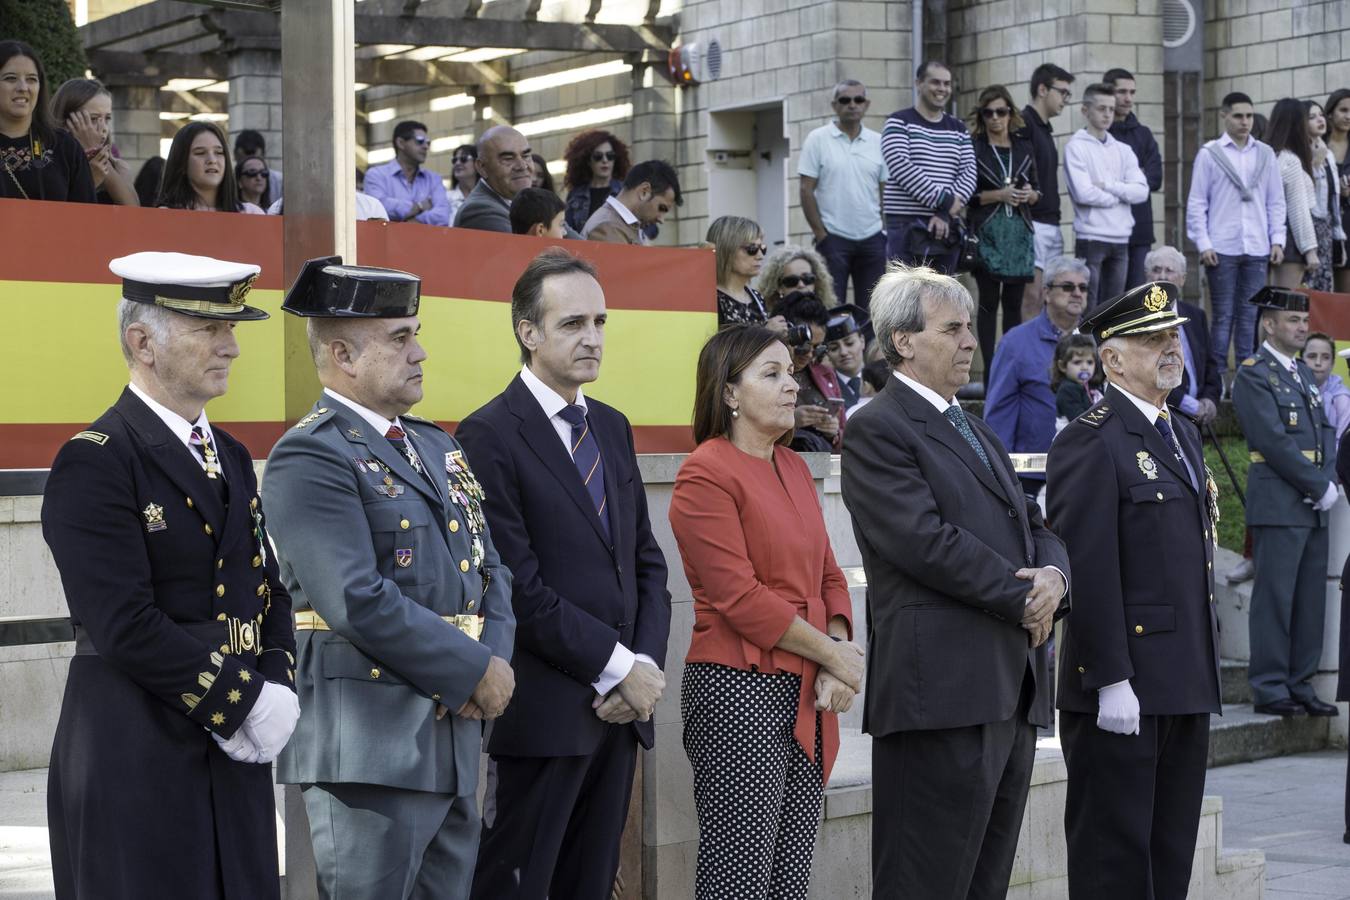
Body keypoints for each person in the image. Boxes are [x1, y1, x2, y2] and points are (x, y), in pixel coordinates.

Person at [42, 251, 297, 898]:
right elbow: (123, 624)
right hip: (138, 751)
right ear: (142, 342)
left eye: (232, 329)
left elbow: (266, 586)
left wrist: (278, 682)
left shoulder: (233, 455)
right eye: (209, 329)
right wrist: (244, 702)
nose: (233, 347)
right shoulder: (97, 460)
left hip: (234, 749)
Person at [265, 258, 516, 898]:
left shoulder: (435, 444)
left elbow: (491, 569)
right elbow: (354, 596)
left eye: (415, 333)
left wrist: (492, 669)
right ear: (343, 355)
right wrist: (470, 671)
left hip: (454, 733)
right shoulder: (311, 453)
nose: (420, 352)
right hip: (372, 747)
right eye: (400, 338)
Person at [841, 264, 1068, 900]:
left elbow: (1034, 523)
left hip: (1007, 693)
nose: (971, 340)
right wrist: (1025, 596)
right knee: (925, 882)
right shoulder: (877, 427)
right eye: (953, 328)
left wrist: (1054, 577)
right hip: (938, 697)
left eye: (970, 327)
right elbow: (923, 542)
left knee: (983, 883)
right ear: (903, 341)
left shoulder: (973, 425)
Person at [458, 248, 672, 900]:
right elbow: (516, 583)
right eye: (574, 323)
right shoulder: (488, 434)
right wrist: (618, 667)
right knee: (518, 884)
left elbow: (645, 565)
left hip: (619, 713)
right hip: (545, 715)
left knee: (591, 884)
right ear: (529, 331)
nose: (593, 339)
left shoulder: (610, 426)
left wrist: (642, 670)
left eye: (601, 322)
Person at [669, 325, 861, 899]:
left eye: (791, 373)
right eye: (770, 374)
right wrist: (838, 658)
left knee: (788, 880)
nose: (790, 386)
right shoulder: (705, 472)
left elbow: (830, 575)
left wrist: (834, 657)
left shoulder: (796, 466)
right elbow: (741, 599)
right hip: (738, 691)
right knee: (740, 881)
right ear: (729, 393)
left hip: (809, 687)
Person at [1046, 280, 1222, 900]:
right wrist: (1108, 675)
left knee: (1169, 857)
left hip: (1182, 679)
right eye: (1150, 340)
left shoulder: (1181, 433)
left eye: (1172, 336)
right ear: (1112, 359)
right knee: (1113, 864)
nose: (1168, 349)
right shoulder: (1091, 438)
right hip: (1122, 685)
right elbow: (1086, 564)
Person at [1231, 286, 1340, 718]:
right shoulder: (1255, 373)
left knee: (1311, 599)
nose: (1302, 327)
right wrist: (1317, 485)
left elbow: (1325, 432)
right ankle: (1271, 686)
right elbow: (1272, 441)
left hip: (1311, 501)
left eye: (1303, 320)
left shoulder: (1299, 372)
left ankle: (1301, 682)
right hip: (1280, 500)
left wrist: (1325, 480)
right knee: (1276, 598)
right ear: (1269, 324)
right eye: (1292, 321)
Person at [1185, 91, 1285, 384]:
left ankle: (1244, 381)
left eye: (1249, 116)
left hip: (1256, 246)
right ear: (1224, 116)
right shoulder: (1210, 153)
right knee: (1223, 317)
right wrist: (1204, 243)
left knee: (1250, 317)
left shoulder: (1265, 153)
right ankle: (1216, 382)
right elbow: (1197, 202)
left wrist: (1277, 239)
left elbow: (1275, 201)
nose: (1245, 122)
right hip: (1222, 246)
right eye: (1239, 116)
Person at [984, 255, 1088, 496]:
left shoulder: (1098, 341)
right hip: (1032, 475)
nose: (1077, 293)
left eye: (1083, 288)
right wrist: (1001, 475)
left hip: (1087, 470)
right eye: (1067, 286)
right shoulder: (1015, 343)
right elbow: (999, 413)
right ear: (1046, 293)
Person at [967, 84, 1039, 372]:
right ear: (982, 116)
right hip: (988, 231)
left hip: (1018, 233)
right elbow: (968, 195)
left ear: (1011, 113)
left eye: (1001, 111)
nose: (995, 118)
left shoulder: (1024, 146)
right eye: (989, 113)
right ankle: (988, 372)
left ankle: (1010, 368)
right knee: (987, 303)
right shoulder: (975, 146)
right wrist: (1000, 194)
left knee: (1014, 305)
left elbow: (1038, 191)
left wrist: (1028, 195)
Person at [799, 79, 888, 310]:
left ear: (866, 104)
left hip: (872, 239)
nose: (852, 105)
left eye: (858, 99)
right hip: (833, 238)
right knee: (830, 308)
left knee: (872, 311)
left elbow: (885, 192)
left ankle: (868, 348)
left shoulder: (878, 142)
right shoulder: (817, 139)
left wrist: (884, 233)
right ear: (834, 105)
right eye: (845, 100)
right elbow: (805, 189)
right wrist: (821, 235)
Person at [881, 61, 976, 273]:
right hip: (905, 225)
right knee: (905, 297)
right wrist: (944, 202)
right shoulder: (898, 122)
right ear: (919, 83)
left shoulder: (958, 128)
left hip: (946, 227)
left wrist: (945, 213)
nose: (942, 89)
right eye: (935, 82)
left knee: (942, 298)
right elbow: (901, 167)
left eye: (947, 83)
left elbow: (969, 173)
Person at [1064, 83, 1150, 307]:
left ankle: (1108, 345)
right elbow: (1084, 193)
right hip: (1091, 237)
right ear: (1085, 111)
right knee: (1087, 306)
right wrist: (1121, 195)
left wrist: (1108, 186)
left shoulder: (1123, 150)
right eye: (1101, 108)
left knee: (1113, 308)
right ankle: (1086, 345)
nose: (1107, 114)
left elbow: (1141, 192)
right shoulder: (1076, 147)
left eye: (1111, 109)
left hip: (1121, 238)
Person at [0, 41, 95, 203]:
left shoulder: (65, 147)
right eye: (10, 78)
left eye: (31, 79)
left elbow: (87, 219)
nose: (23, 87)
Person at [1019, 63, 1075, 319]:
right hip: (1033, 224)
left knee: (1051, 301)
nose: (1065, 99)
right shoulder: (1025, 123)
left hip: (1052, 224)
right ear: (1043, 89)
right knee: (1033, 297)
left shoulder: (1045, 128)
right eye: (1062, 92)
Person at [1144, 246, 1221, 425]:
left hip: (1197, 419)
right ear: (1147, 277)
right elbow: (1148, 373)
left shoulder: (1195, 315)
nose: (1162, 276)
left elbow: (1211, 365)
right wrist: (1188, 405)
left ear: (1182, 279)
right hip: (1162, 415)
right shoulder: (1139, 319)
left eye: (1169, 271)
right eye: (1156, 270)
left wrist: (1209, 399)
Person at [1101, 68, 1163, 290]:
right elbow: (1097, 182)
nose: (1128, 98)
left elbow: (1155, 179)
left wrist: (1117, 182)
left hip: (1139, 232)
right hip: (1105, 230)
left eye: (1132, 92)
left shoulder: (1143, 134)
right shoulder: (1096, 136)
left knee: (1136, 301)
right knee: (1108, 302)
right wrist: (1135, 180)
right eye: (1122, 92)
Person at [50, 78, 137, 206]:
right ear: (67, 121)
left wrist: (96, 152)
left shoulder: (119, 167)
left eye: (107, 118)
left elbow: (133, 209)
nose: (103, 128)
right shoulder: (47, 161)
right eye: (94, 119)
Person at [779, 293, 846, 452]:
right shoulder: (767, 373)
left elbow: (846, 435)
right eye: (804, 346)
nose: (809, 354)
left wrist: (834, 432)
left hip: (826, 466)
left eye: (818, 348)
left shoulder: (826, 373)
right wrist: (791, 421)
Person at [1268, 97, 1320, 289]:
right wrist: (1310, 250)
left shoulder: (1267, 156)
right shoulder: (1290, 161)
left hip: (1264, 239)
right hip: (1291, 242)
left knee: (1263, 307)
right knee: (1284, 305)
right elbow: (1298, 209)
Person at [158, 122, 264, 213]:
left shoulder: (251, 213)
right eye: (200, 153)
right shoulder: (166, 214)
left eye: (219, 152)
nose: (212, 160)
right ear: (182, 163)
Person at [365, 120, 451, 225]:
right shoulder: (376, 175)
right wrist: (420, 206)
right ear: (400, 143)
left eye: (428, 142)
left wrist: (410, 221)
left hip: (426, 240)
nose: (425, 146)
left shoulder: (433, 179)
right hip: (388, 240)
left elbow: (442, 216)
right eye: (420, 141)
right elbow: (377, 209)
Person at [456, 125, 534, 232]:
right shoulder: (479, 211)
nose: (522, 166)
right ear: (482, 167)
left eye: (526, 156)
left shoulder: (530, 201)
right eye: (508, 158)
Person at [582, 158, 681, 243]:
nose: (661, 219)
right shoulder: (608, 227)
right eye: (661, 208)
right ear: (644, 191)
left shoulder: (620, 225)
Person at [709, 214, 782, 331]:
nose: (760, 256)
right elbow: (715, 346)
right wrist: (767, 332)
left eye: (762, 248)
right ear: (727, 250)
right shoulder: (710, 299)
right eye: (751, 249)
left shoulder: (756, 297)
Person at [1303, 100, 1344, 292]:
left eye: (1320, 115)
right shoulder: (1299, 152)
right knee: (1308, 284)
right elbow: (1301, 191)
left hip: (1326, 225)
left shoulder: (1326, 152)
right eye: (1312, 117)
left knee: (1324, 286)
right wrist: (1315, 162)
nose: (1320, 120)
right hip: (1308, 225)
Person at [561, 129, 632, 234]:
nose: (605, 160)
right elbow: (566, 229)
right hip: (582, 248)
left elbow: (646, 226)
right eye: (598, 156)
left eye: (610, 156)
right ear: (588, 161)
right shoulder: (576, 194)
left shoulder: (624, 192)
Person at [757, 244, 838, 312]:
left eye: (808, 279)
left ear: (816, 283)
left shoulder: (830, 318)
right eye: (792, 281)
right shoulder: (770, 324)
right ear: (779, 288)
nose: (801, 285)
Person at [1050, 332, 1103, 428]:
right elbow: (1081, 420)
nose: (1085, 367)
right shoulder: (1067, 390)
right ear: (1062, 366)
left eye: (1090, 362)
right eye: (1077, 362)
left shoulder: (1090, 386)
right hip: (1073, 440)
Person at [1306, 333, 1350, 442]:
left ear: (1333, 363)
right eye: (1312, 356)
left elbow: (1340, 444)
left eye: (1325, 357)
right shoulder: (1289, 390)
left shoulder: (1341, 399)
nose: (1318, 363)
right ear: (1300, 360)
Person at [824, 304, 869, 410]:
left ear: (862, 341)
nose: (843, 352)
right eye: (834, 348)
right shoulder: (824, 388)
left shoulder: (884, 378)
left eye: (849, 343)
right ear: (827, 353)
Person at [1327, 89, 1350, 293]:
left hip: (1348, 225)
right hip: (1324, 225)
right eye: (1343, 110)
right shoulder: (1317, 144)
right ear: (1330, 113)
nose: (1348, 116)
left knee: (1345, 295)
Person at [233, 129, 283, 204]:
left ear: (263, 155)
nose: (259, 177)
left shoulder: (279, 181)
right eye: (251, 172)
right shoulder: (227, 180)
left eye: (263, 173)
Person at [448, 143, 478, 224]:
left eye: (463, 159)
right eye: (454, 160)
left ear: (477, 163)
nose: (457, 163)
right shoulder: (445, 198)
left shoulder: (489, 197)